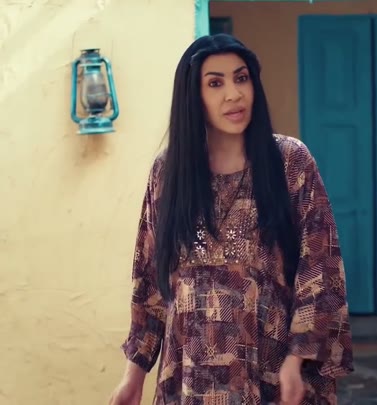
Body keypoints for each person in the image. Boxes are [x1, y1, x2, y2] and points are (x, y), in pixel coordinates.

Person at [108, 34, 354, 405]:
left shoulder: (289, 161)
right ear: (192, 97)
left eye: (241, 78)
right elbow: (150, 279)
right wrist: (134, 376)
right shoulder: (168, 172)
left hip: (272, 369)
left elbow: (321, 266)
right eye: (215, 83)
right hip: (190, 376)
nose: (234, 94)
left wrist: (297, 358)